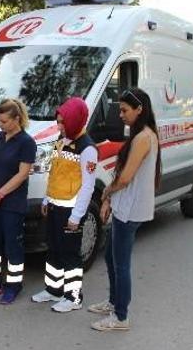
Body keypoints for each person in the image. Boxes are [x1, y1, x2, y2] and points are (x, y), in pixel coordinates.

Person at [91, 88, 161, 331]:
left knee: (121, 263)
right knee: (110, 257)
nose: (120, 114)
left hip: (130, 209)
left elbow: (125, 178)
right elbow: (123, 173)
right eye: (119, 109)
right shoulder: (139, 134)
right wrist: (111, 200)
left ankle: (121, 316)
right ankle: (113, 302)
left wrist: (106, 193)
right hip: (124, 205)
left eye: (124, 110)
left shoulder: (143, 137)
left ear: (139, 109)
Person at [30, 97, 98, 313]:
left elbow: (88, 187)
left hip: (71, 211)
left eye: (63, 122)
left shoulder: (88, 149)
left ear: (75, 121)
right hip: (54, 206)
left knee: (70, 254)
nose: (59, 126)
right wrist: (45, 199)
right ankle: (53, 289)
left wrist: (76, 216)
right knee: (54, 250)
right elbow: (54, 173)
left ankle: (74, 296)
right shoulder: (61, 140)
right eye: (58, 121)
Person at [0, 99, 36, 305]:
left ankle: (14, 285)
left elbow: (22, 174)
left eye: (3, 121)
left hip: (12, 204)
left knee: (13, 246)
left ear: (16, 119)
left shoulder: (27, 142)